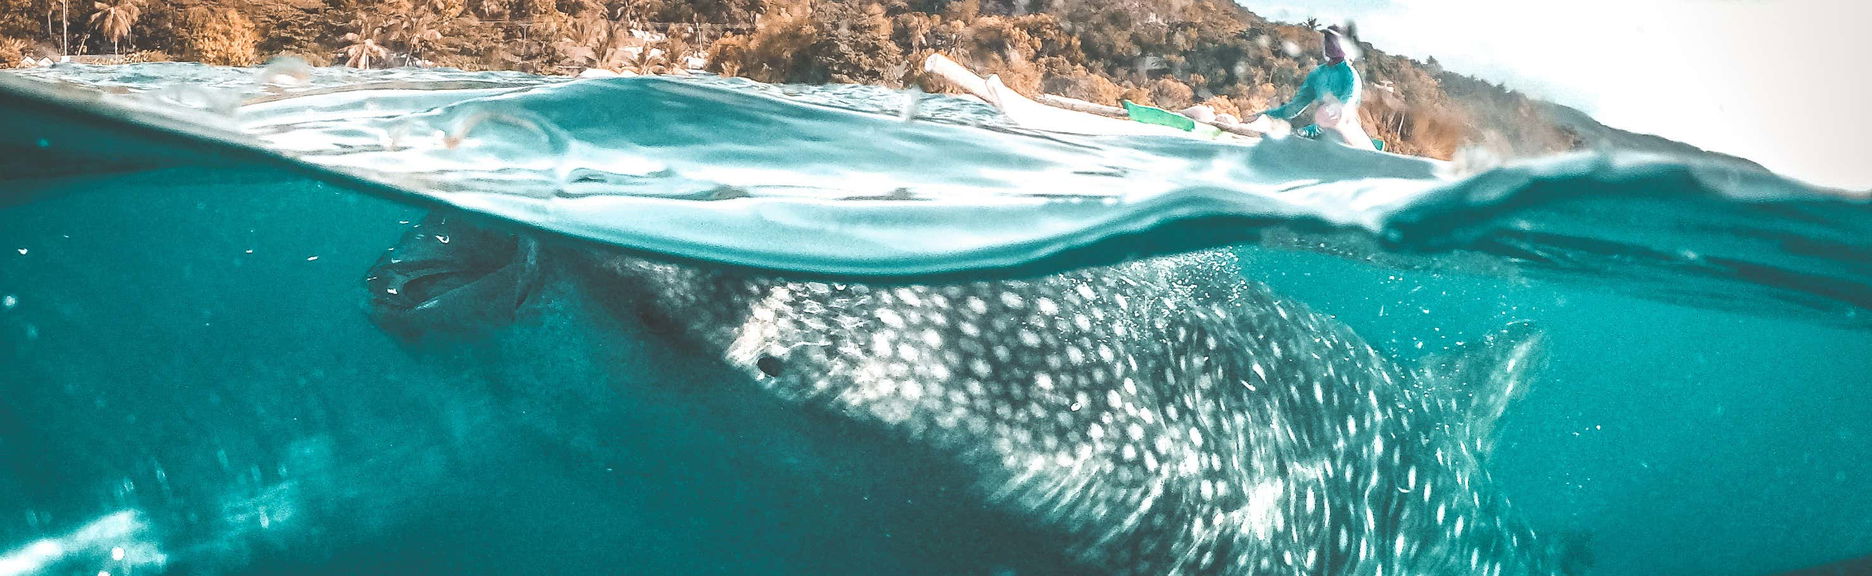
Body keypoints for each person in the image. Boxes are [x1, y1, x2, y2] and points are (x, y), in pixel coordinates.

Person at [1248, 25, 1377, 150]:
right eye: (1327, 39)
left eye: (1333, 40)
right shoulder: (1317, 74)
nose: (1328, 43)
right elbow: (1292, 109)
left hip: (1348, 134)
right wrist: (1262, 115)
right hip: (1322, 135)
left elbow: (1343, 112)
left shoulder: (1350, 76)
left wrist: (1313, 130)